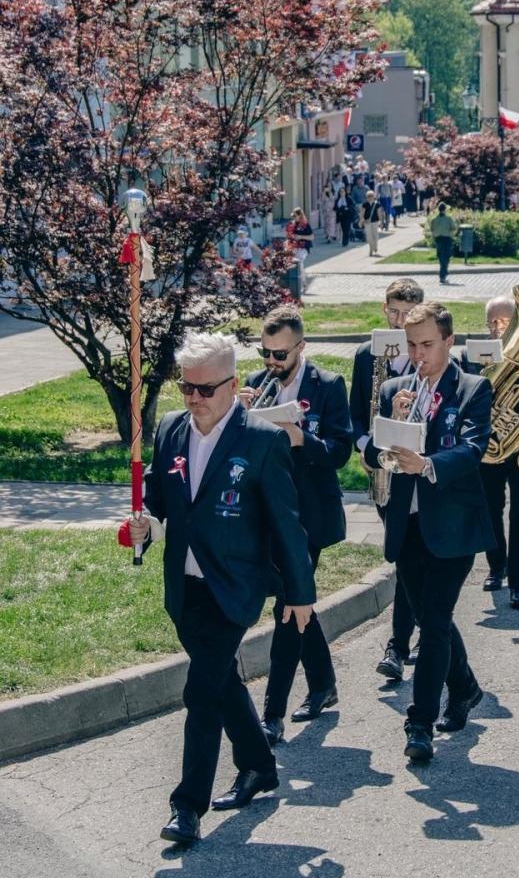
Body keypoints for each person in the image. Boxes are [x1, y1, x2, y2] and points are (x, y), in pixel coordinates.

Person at [127, 332, 315, 846]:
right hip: (183, 587)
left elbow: (287, 525)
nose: (193, 399)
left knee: (202, 690)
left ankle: (187, 806)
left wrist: (300, 592)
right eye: (186, 387)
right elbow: (163, 503)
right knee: (222, 681)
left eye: (205, 389)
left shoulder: (261, 441)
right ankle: (258, 764)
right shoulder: (168, 429)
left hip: (234, 587)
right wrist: (149, 526)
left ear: (232, 385)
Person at [364, 302, 494, 762]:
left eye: (426, 344)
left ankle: (419, 723)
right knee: (427, 617)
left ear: (448, 342)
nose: (417, 354)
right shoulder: (396, 388)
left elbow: (474, 448)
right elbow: (372, 454)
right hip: (407, 523)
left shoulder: (473, 387)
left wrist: (429, 465)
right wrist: (393, 426)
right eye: (411, 345)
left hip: (453, 525)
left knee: (435, 621)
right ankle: (465, 687)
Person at [240, 307, 352, 743]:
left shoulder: (327, 386)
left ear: (301, 347)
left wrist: (303, 438)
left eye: (280, 354)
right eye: (265, 352)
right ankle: (323, 684)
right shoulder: (254, 383)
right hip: (267, 513)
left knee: (287, 607)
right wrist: (238, 414)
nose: (272, 362)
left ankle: (272, 713)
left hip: (309, 515)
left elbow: (341, 451)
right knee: (297, 602)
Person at [349, 278, 424, 681]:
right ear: (384, 309)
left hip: (415, 470)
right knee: (407, 555)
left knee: (408, 557)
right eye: (394, 312)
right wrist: (369, 449)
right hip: (381, 470)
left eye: (408, 315)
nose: (400, 322)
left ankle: (398, 644)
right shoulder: (366, 354)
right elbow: (354, 414)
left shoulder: (425, 354)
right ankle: (421, 633)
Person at [462, 295, 519, 609]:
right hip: (488, 447)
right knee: (490, 508)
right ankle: (497, 567)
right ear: (486, 325)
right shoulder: (471, 356)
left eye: (507, 322)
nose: (500, 328)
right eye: (494, 322)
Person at [429, 201, 458, 284]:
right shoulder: (449, 219)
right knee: (446, 258)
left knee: (441, 257)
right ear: (445, 209)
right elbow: (453, 228)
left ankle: (443, 274)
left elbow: (432, 229)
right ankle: (443, 275)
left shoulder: (434, 219)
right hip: (446, 239)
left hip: (438, 239)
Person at [286, 207, 313, 293]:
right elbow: (288, 236)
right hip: (293, 247)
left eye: (295, 216)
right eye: (292, 216)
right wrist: (287, 242)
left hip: (303, 248)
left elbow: (312, 237)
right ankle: (290, 285)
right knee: (289, 263)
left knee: (299, 263)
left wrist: (301, 237)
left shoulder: (305, 225)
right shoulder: (291, 224)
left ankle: (304, 284)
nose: (293, 218)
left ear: (300, 215)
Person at [360, 188, 382, 256]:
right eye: (369, 196)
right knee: (369, 237)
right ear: (367, 197)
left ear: (374, 196)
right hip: (367, 222)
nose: (370, 197)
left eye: (371, 196)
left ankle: (375, 247)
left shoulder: (377, 204)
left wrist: (381, 222)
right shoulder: (364, 204)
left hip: (375, 221)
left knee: (375, 236)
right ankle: (371, 249)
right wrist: (361, 221)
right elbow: (362, 213)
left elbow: (379, 213)